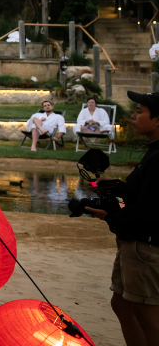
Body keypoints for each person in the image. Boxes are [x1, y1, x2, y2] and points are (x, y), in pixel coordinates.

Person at [81, 91, 159, 344]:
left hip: (144, 247)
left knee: (147, 316)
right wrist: (115, 187)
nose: (133, 116)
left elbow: (147, 212)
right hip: (133, 244)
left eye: (140, 111)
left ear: (158, 119)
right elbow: (138, 196)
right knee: (122, 304)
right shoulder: (152, 152)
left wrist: (108, 216)